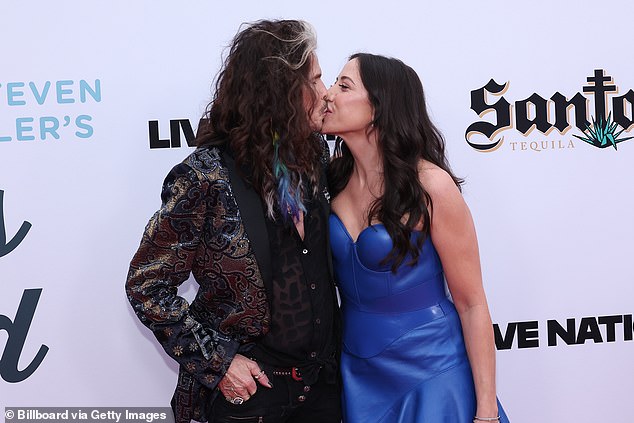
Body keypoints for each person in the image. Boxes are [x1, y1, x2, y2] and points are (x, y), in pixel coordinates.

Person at [126, 19, 341, 423]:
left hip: (324, 390)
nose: (326, 91)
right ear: (282, 91)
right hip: (252, 397)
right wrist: (219, 362)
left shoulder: (314, 155)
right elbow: (146, 285)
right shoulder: (205, 177)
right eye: (315, 79)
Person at [322, 53, 510, 423]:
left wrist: (486, 410)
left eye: (344, 86)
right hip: (357, 373)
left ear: (380, 105)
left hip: (432, 370)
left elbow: (472, 304)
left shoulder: (430, 186)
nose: (329, 94)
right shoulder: (330, 178)